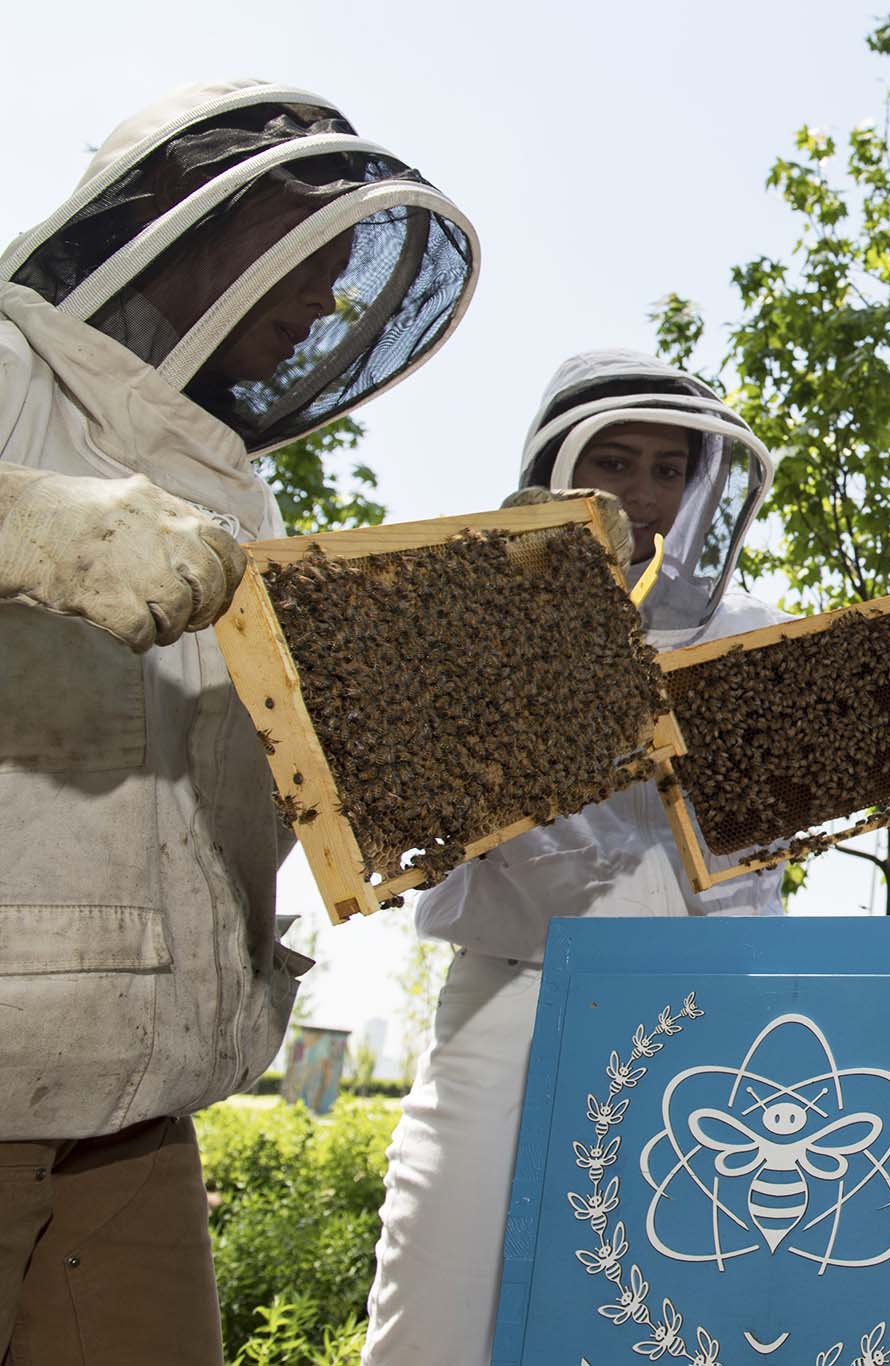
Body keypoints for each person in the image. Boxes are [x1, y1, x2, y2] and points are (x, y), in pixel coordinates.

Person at [358, 349, 890, 1362]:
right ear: (557, 467)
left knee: (685, 1319)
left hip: (717, 1014)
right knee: (437, 1307)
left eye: (669, 469)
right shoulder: (474, 632)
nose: (642, 495)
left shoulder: (757, 633)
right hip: (516, 999)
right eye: (614, 462)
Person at [0, 80, 479, 1364]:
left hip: (134, 1114)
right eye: (305, 254)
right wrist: (24, 524)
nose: (327, 300)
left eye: (343, 270)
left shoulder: (233, 495)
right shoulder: (7, 362)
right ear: (178, 210)